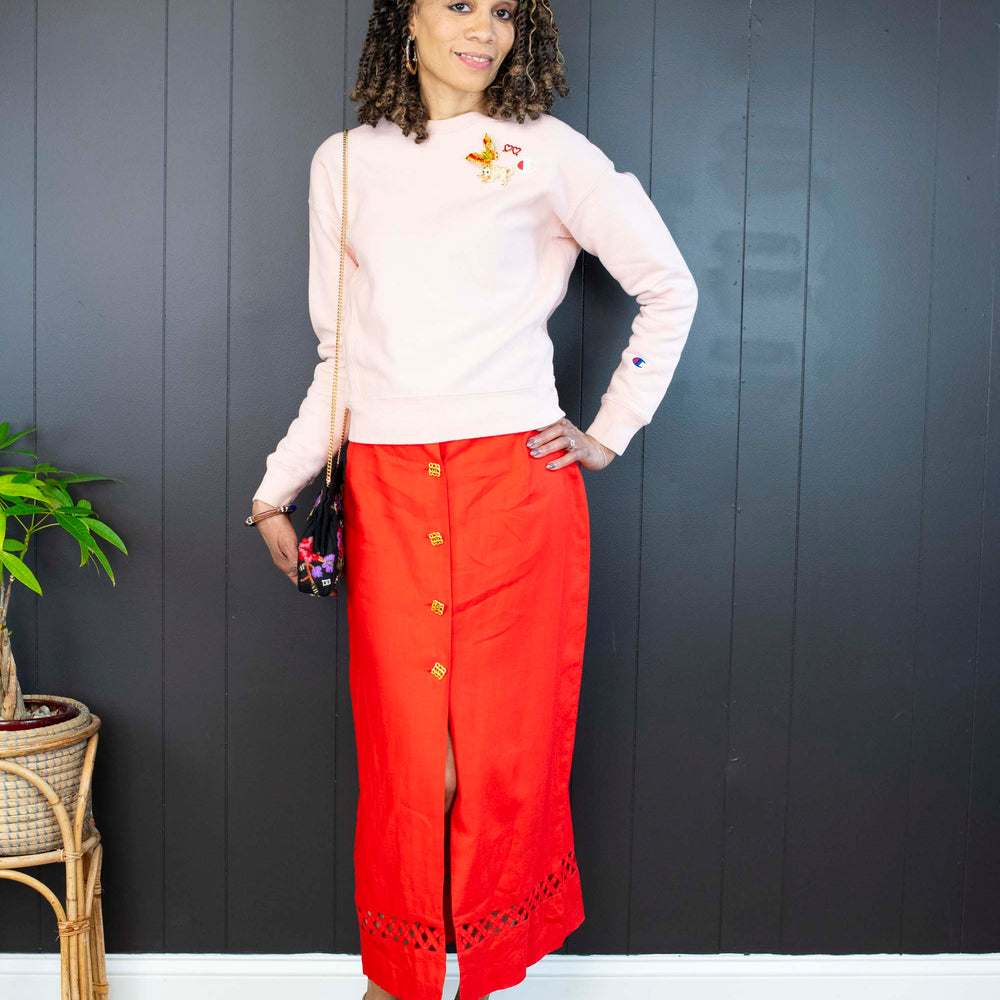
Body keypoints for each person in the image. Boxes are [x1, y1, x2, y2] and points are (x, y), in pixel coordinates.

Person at [247, 2, 698, 999]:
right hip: (388, 490)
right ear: (404, 19)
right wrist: (274, 491)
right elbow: (341, 355)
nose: (483, 27)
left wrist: (606, 430)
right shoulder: (345, 163)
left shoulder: (548, 152)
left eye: (504, 10)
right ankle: (403, 975)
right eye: (459, 2)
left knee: (494, 760)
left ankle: (479, 973)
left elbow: (669, 287)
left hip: (513, 490)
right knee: (417, 766)